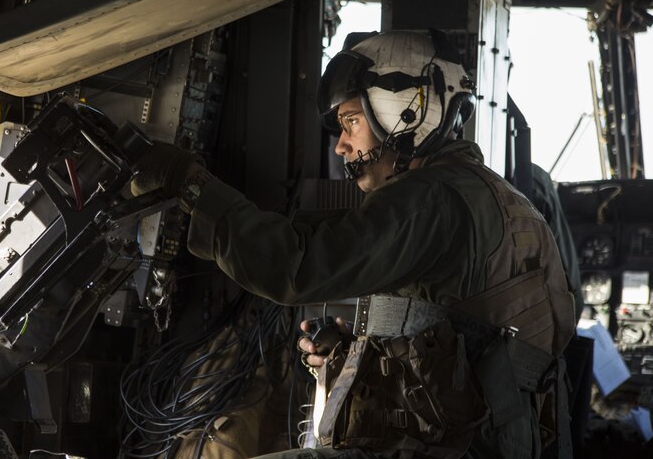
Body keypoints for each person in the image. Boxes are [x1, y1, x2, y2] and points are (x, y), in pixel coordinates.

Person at [130, 31, 576, 459]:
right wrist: (356, 355)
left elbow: (294, 266)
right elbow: (477, 349)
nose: (341, 146)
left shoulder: (430, 196)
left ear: (404, 111)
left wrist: (188, 183)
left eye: (351, 122)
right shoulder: (504, 201)